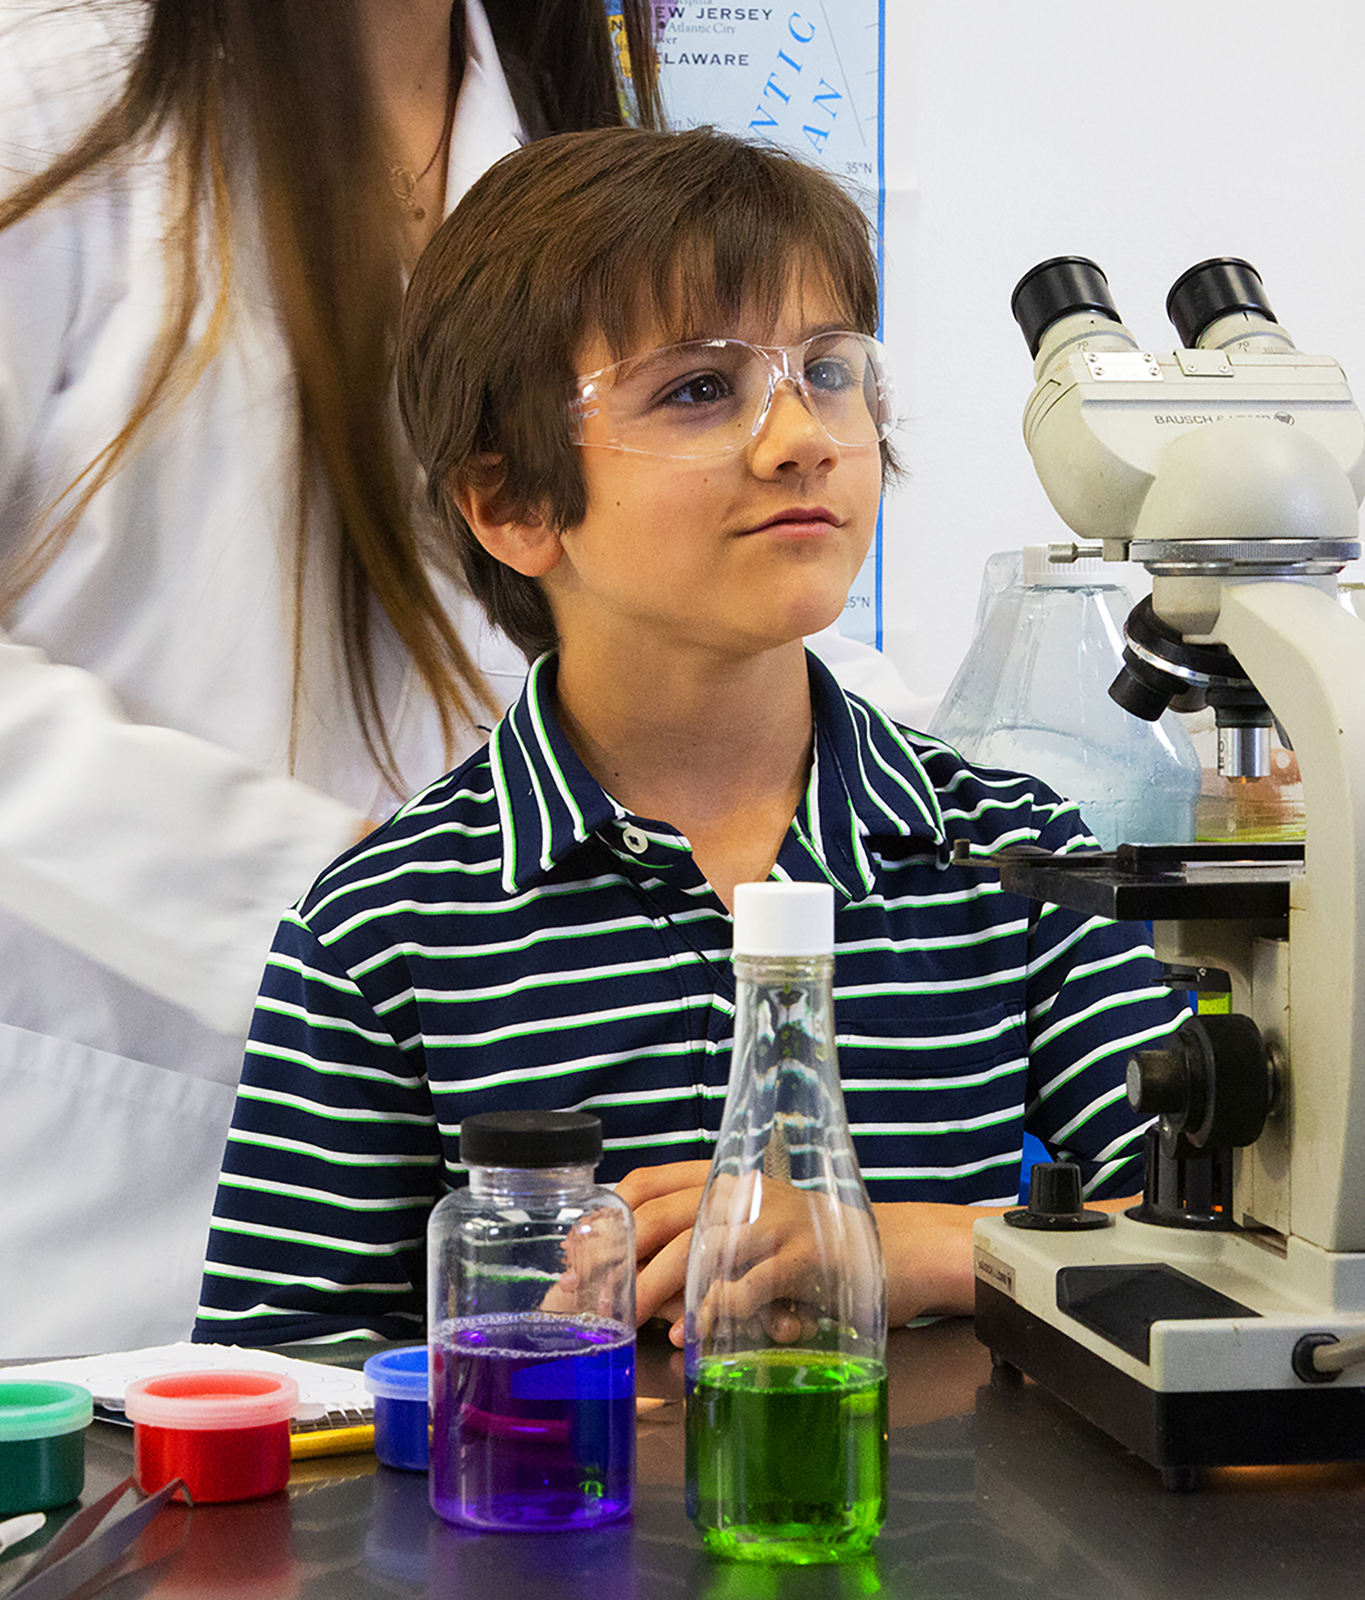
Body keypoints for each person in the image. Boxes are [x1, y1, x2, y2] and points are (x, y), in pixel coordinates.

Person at [194, 125, 1189, 1348]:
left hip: (955, 1541)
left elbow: (1224, 1260)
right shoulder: (385, 929)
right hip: (547, 1538)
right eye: (700, 389)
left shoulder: (1010, 860)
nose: (800, 436)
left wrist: (910, 1245)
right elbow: (284, 1394)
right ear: (511, 503)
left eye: (829, 369)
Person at [0, 0, 668, 1360]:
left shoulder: (552, 134)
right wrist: (338, 902)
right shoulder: (36, 92)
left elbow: (625, 612)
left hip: (474, 1243)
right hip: (83, 1236)